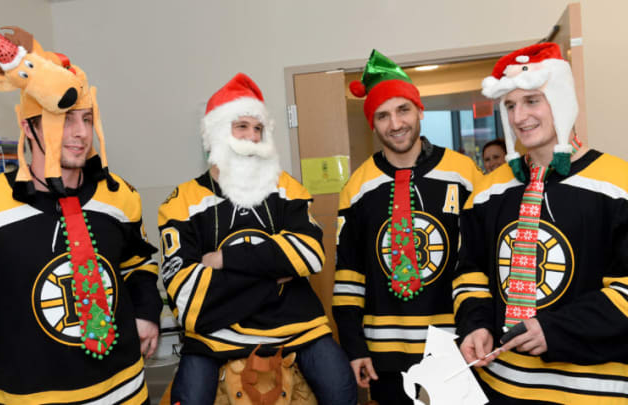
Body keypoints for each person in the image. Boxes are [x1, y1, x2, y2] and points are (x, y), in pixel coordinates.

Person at [0, 22, 162, 404]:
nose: (80, 133)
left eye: (87, 118)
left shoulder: (118, 197)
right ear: (29, 127)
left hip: (124, 391)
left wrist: (146, 312)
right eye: (65, 119)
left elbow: (138, 264)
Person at [159, 73, 356, 404]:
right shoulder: (182, 201)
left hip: (298, 326)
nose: (251, 137)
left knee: (342, 389)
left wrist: (225, 261)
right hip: (214, 335)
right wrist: (275, 276)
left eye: (258, 128)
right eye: (242, 127)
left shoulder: (286, 187)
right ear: (217, 133)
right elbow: (188, 296)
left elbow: (309, 255)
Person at [454, 42, 628, 404]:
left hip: (595, 390)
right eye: (511, 105)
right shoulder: (488, 191)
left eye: (532, 101)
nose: (519, 117)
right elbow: (470, 273)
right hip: (503, 386)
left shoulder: (618, 184)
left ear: (562, 102)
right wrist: (477, 324)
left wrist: (555, 329)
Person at [332, 49, 482, 404]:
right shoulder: (358, 187)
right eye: (383, 115)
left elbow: (482, 261)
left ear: (419, 111)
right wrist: (354, 346)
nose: (395, 124)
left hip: (454, 343)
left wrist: (480, 326)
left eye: (403, 110)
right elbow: (349, 276)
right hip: (384, 350)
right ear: (373, 124)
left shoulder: (463, 174)